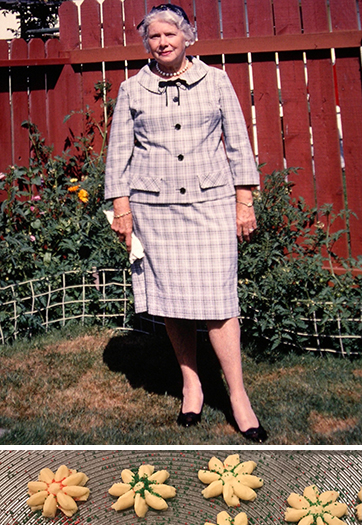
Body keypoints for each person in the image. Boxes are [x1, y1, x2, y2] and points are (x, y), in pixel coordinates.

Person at [105, 3, 267, 442]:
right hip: (155, 210)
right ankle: (191, 385)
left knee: (219, 300)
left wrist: (244, 201)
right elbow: (119, 153)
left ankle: (237, 395)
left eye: (169, 35)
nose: (162, 43)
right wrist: (122, 210)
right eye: (154, 37)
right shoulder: (132, 89)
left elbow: (237, 140)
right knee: (172, 299)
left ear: (186, 36)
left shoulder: (215, 80)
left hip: (210, 204)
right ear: (147, 43)